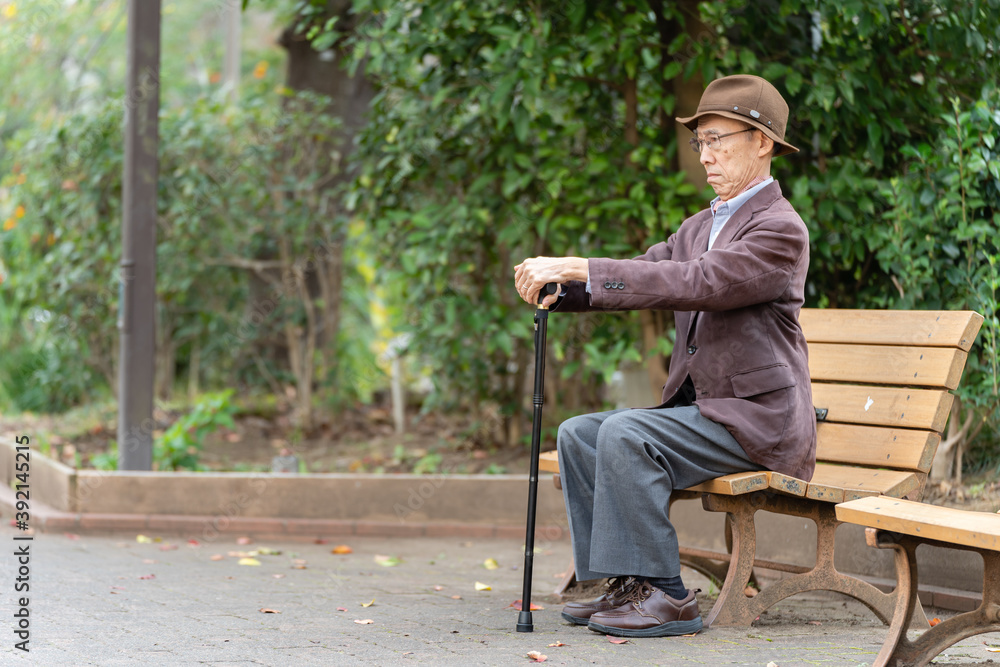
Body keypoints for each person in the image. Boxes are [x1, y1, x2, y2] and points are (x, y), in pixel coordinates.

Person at [512, 74, 816, 638]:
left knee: (627, 433)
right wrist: (565, 292)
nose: (706, 154)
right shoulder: (700, 225)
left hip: (757, 421)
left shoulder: (779, 229)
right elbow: (651, 273)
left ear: (763, 142)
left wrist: (579, 264)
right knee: (580, 432)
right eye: (700, 141)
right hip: (708, 415)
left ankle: (669, 596)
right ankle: (622, 582)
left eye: (720, 139)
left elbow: (699, 282)